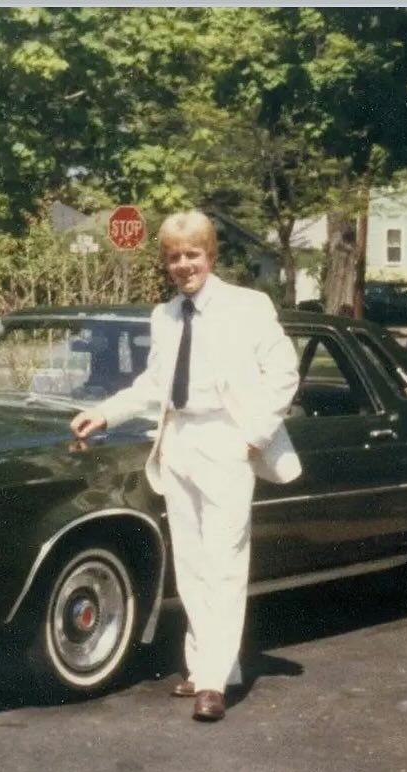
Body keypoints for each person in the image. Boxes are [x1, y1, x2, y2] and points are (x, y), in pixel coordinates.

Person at [69, 210, 301, 722]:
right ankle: (205, 667)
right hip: (178, 445)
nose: (182, 265)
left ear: (211, 255)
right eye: (173, 257)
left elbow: (285, 373)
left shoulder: (249, 307)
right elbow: (155, 386)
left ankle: (215, 681)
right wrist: (104, 412)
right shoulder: (166, 316)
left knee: (224, 562)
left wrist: (252, 436)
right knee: (192, 566)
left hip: (227, 441)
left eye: (192, 254)